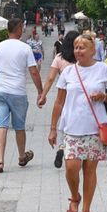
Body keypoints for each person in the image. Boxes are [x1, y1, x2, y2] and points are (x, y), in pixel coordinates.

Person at [48, 31, 107, 212]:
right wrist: (53, 128)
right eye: (76, 47)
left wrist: (103, 97)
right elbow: (59, 102)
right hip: (71, 127)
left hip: (95, 128)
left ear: (93, 50)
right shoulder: (68, 72)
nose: (78, 51)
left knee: (89, 170)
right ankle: (74, 196)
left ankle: (86, 210)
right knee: (71, 168)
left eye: (82, 47)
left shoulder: (102, 69)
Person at [0, 25, 44, 173]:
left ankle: (0, 161)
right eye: (21, 29)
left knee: (1, 126)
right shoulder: (25, 48)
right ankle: (22, 156)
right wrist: (40, 92)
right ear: (17, 30)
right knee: (19, 126)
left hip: (0, 91)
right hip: (17, 92)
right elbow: (34, 72)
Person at [39, 29, 80, 169]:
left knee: (64, 123)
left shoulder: (59, 58)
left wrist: (43, 95)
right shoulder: (81, 58)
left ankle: (62, 147)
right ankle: (70, 148)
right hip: (79, 96)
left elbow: (50, 78)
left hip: (64, 94)